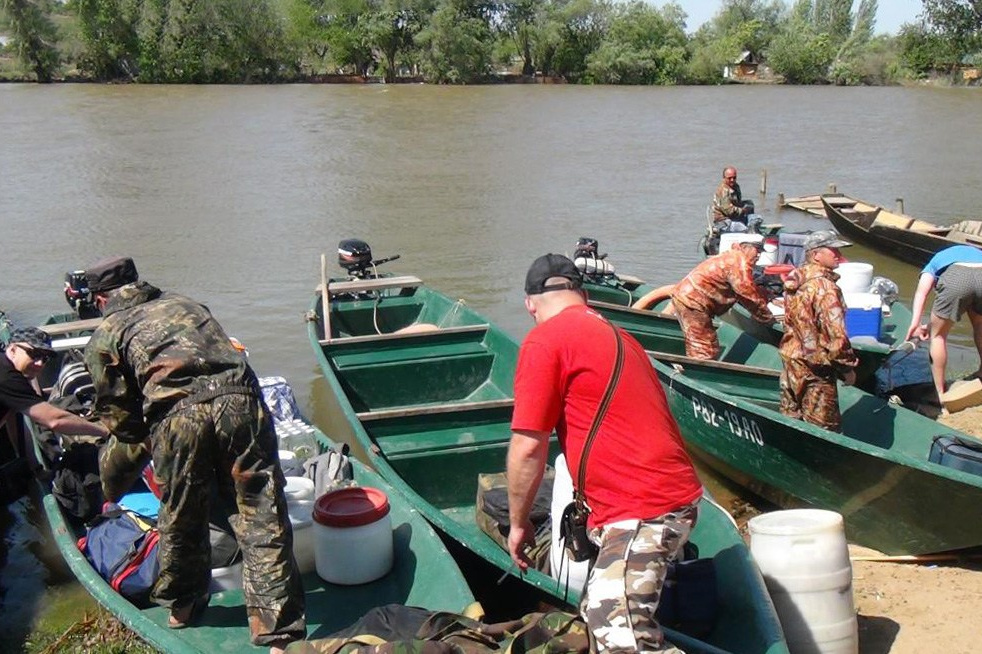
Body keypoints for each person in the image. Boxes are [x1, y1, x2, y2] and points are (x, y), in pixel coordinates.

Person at [81, 256, 305, 653]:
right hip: (243, 403)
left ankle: (182, 606)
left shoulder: (107, 332)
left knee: (182, 515)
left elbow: (119, 416)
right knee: (261, 514)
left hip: (177, 418)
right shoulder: (186, 303)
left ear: (100, 299)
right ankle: (278, 633)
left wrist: (140, 443)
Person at [506, 254, 703, 653]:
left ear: (530, 304)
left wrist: (518, 524)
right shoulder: (618, 334)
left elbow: (528, 447)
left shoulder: (545, 340)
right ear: (582, 294)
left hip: (644, 507)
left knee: (619, 633)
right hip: (666, 496)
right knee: (600, 613)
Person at [778, 230, 859, 432]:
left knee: (791, 419)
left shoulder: (795, 281)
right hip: (816, 368)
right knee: (823, 429)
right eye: (833, 250)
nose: (838, 254)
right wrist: (847, 368)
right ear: (816, 255)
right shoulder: (825, 287)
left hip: (791, 361)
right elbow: (835, 335)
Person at [1, 326, 110, 456]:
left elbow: (11, 416)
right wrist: (105, 431)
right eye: (34, 354)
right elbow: (55, 420)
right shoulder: (7, 377)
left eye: (45, 358)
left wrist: (25, 459)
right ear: (13, 350)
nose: (40, 363)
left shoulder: (8, 371)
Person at [904, 244, 982, 406]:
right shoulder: (973, 252)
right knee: (980, 326)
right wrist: (930, 325)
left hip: (957, 277)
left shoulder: (933, 264)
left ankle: (940, 394)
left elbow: (921, 292)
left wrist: (915, 322)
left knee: (938, 337)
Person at [671, 241, 774, 360]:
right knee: (704, 348)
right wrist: (766, 317)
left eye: (760, 252)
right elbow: (747, 293)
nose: (758, 256)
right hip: (694, 302)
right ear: (745, 247)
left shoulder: (730, 256)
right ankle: (701, 373)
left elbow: (748, 288)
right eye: (757, 250)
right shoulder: (738, 263)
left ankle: (693, 366)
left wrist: (765, 294)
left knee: (698, 342)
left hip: (687, 298)